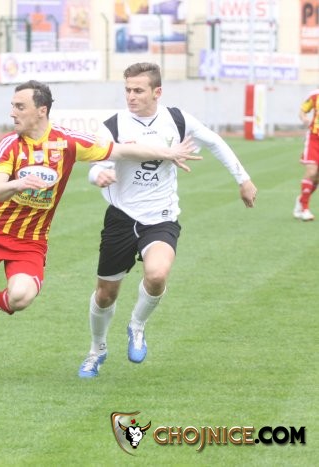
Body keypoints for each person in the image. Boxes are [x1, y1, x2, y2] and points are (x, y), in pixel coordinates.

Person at [0, 79, 201, 383]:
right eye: (12, 106)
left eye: (20, 107)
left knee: (20, 298)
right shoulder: (10, 144)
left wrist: (168, 153)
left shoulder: (67, 142)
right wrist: (19, 183)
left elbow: (122, 150)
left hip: (30, 240)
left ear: (41, 110)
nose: (12, 112)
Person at [78, 62, 258, 379]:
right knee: (105, 294)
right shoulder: (113, 126)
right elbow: (95, 166)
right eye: (127, 90)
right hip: (121, 218)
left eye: (138, 90)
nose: (131, 96)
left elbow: (215, 141)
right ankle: (97, 350)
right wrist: (99, 176)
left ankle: (137, 326)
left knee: (157, 274)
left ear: (157, 92)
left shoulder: (177, 119)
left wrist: (243, 179)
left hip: (161, 217)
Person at [295, 89, 319, 221]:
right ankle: (304, 208)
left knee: (316, 178)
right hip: (314, 139)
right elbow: (303, 110)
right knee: (311, 171)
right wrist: (304, 118)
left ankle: (301, 200)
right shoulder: (315, 95)